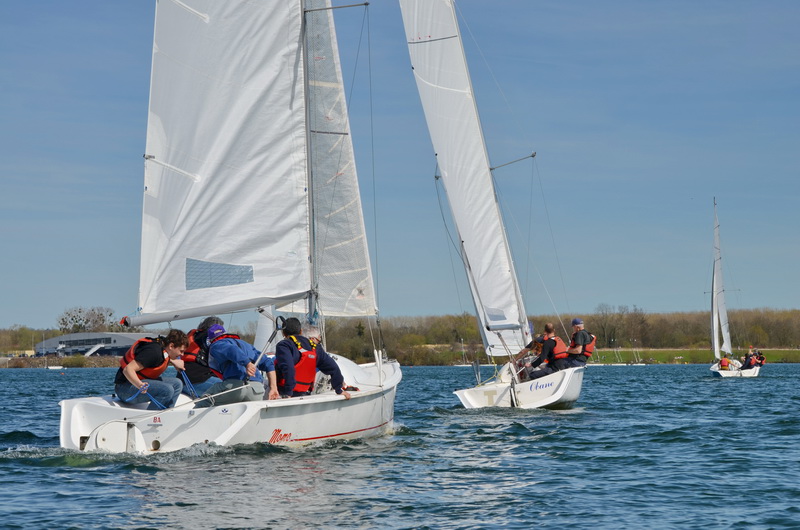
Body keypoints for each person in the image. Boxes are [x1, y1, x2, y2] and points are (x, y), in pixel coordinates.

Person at [196, 324, 279, 407]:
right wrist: (273, 387)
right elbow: (268, 363)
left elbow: (231, 350)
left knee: (204, 402)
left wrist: (247, 364)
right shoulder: (246, 345)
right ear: (224, 333)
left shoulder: (216, 344)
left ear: (210, 340)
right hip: (256, 389)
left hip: (235, 387)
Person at [274, 317, 351, 399]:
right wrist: (338, 389)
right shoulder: (315, 347)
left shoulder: (284, 345)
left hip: (284, 393)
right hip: (304, 394)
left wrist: (288, 393)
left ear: (283, 333)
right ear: (301, 331)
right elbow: (333, 367)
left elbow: (288, 367)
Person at [114, 329, 188, 410]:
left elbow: (163, 356)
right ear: (171, 346)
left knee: (177, 384)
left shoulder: (164, 347)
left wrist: (173, 361)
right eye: (181, 351)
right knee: (167, 390)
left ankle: (167, 411)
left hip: (138, 383)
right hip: (124, 389)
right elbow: (128, 369)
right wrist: (139, 385)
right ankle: (153, 416)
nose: (182, 354)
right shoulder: (153, 352)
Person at [180, 316, 224, 397]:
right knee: (230, 387)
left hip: (185, 380)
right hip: (196, 382)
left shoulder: (195, 336)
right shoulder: (206, 337)